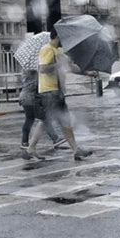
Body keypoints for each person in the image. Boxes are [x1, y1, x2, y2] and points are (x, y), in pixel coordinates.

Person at [24, 28, 96, 161]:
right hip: (49, 91)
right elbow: (43, 69)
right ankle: (31, 148)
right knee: (47, 121)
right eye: (64, 38)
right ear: (57, 37)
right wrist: (58, 64)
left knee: (62, 121)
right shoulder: (47, 49)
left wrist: (87, 73)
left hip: (58, 91)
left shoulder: (59, 51)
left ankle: (75, 150)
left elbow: (70, 67)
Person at [18, 69, 66, 151]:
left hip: (25, 98)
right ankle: (55, 139)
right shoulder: (35, 75)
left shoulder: (25, 73)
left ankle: (25, 142)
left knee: (32, 119)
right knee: (42, 119)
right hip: (31, 99)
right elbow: (40, 86)